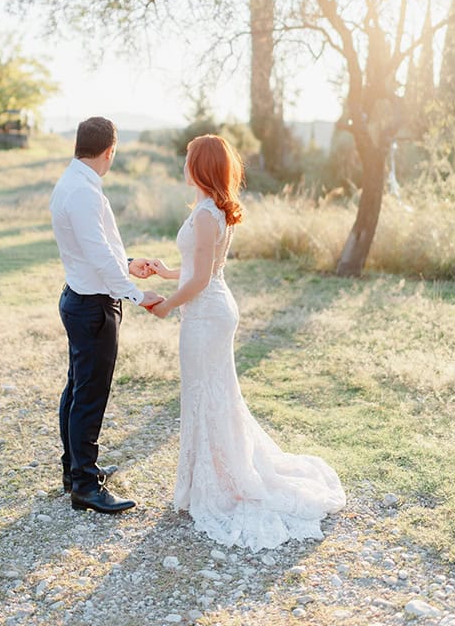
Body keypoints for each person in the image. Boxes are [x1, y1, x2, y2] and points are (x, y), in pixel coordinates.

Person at [148, 134, 346, 550]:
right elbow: (199, 267)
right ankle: (213, 477)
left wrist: (165, 305)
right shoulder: (208, 209)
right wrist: (167, 272)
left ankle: (223, 481)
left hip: (207, 314)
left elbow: (202, 279)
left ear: (200, 166)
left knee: (208, 395)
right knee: (211, 394)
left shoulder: (206, 214)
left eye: (188, 159)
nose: (183, 165)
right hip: (209, 309)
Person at [50, 117, 163, 514]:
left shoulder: (71, 182)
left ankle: (75, 469)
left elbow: (93, 249)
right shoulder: (84, 191)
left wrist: (127, 263)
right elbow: (97, 255)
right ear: (110, 151)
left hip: (80, 297)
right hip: (92, 306)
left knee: (77, 389)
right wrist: (138, 296)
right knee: (89, 396)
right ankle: (85, 484)